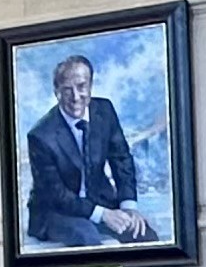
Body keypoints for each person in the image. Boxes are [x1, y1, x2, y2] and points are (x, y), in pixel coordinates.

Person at [22, 53, 153, 246]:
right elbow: (57, 194)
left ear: (91, 85)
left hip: (100, 201)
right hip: (56, 211)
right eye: (67, 90)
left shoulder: (105, 111)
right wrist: (103, 214)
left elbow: (121, 160)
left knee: (144, 235)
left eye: (82, 87)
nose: (76, 97)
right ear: (56, 91)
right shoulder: (40, 136)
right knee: (87, 238)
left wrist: (128, 207)